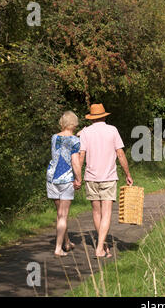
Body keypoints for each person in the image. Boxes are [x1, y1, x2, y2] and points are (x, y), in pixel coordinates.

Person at [78, 103, 133, 258]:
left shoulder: (85, 132)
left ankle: (103, 246)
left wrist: (78, 177)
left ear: (91, 118)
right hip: (108, 177)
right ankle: (99, 248)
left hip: (91, 177)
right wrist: (127, 174)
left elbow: (81, 155)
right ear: (104, 116)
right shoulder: (112, 130)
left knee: (96, 212)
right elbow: (120, 154)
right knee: (107, 213)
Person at [46, 111, 82, 257]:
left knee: (60, 214)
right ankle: (58, 249)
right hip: (66, 179)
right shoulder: (75, 141)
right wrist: (79, 179)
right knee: (63, 215)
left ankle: (66, 242)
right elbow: (75, 162)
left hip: (51, 178)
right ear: (74, 123)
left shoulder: (54, 137)